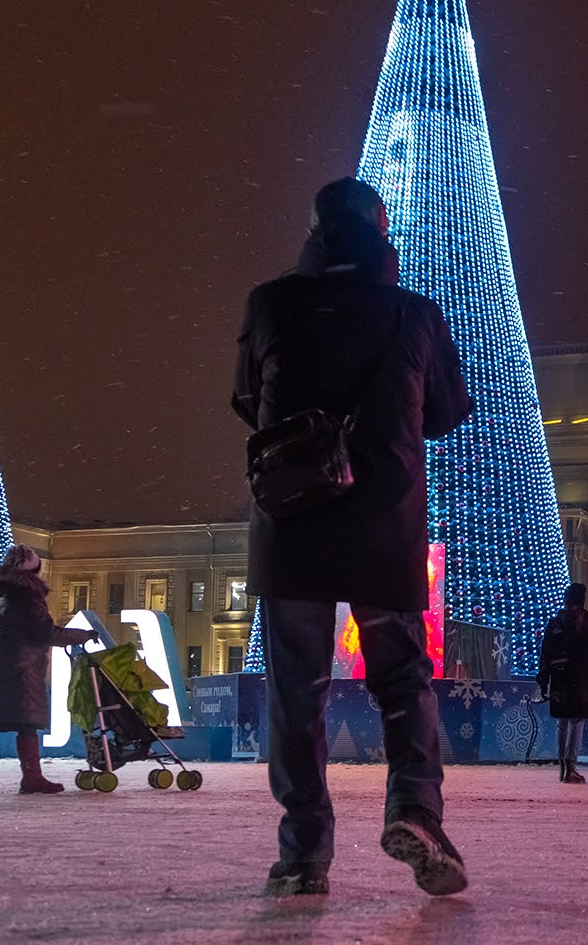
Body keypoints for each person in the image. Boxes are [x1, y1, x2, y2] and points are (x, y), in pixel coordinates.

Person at [233, 177, 474, 899]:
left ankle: (304, 853)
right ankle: (415, 807)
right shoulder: (414, 315)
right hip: (384, 525)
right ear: (382, 227)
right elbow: (446, 413)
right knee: (402, 681)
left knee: (296, 700)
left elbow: (247, 401)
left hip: (291, 527)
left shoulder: (270, 303)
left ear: (314, 228)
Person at [0, 545, 97, 795]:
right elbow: (45, 632)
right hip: (20, 666)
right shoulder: (26, 595)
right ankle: (32, 778)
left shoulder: (0, 593)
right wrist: (81, 636)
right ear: (34, 570)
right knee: (25, 723)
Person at [537, 582, 588, 785]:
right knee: (577, 723)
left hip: (560, 678)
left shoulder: (555, 623)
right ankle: (571, 765)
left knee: (562, 723)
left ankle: (562, 766)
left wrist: (544, 678)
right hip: (581, 679)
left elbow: (546, 654)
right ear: (581, 600)